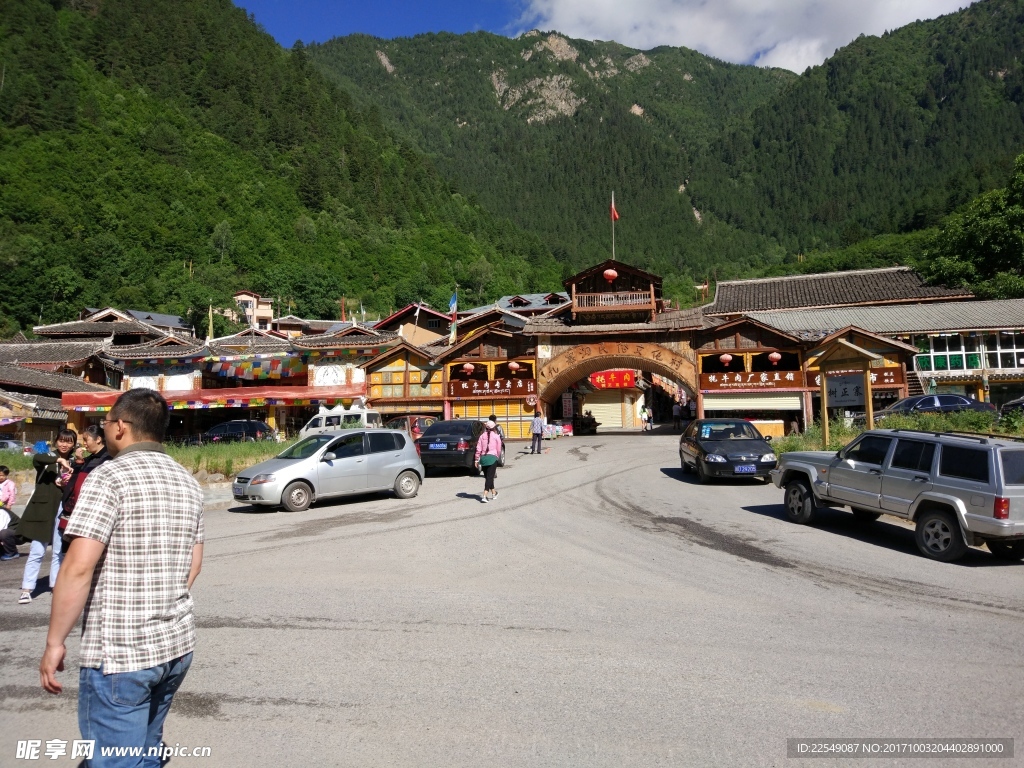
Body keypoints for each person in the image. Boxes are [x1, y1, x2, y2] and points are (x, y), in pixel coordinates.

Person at [40, 390, 204, 765]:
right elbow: (193, 566)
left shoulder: (108, 477)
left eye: (107, 422)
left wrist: (54, 642)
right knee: (147, 749)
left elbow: (78, 567)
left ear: (120, 427)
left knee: (114, 759)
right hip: (176, 644)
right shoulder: (187, 481)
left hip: (121, 652)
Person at [16, 429, 76, 604]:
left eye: (69, 441)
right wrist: (59, 460)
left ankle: (55, 586)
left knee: (58, 551)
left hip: (63, 509)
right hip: (43, 510)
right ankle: (27, 588)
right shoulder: (48, 457)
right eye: (62, 441)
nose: (65, 444)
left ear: (73, 444)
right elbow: (37, 459)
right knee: (37, 550)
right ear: (56, 441)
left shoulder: (75, 462)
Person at [57, 425, 112, 549]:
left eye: (86, 440)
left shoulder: (107, 459)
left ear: (98, 439)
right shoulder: (88, 459)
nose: (84, 444)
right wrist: (79, 461)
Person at [474, 420, 502, 503]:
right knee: (490, 477)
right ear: (494, 428)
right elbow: (499, 449)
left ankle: (494, 493)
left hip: (483, 458)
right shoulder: (496, 436)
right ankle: (484, 495)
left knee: (488, 477)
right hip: (492, 458)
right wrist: (496, 457)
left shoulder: (482, 436)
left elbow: (478, 449)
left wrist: (476, 459)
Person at [0, 465, 22, 561]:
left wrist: (9, 504)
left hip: (19, 534)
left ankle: (12, 553)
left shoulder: (2, 512)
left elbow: (10, 495)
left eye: (2, 475)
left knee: (4, 533)